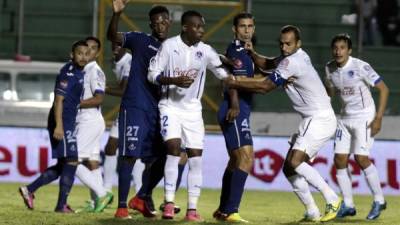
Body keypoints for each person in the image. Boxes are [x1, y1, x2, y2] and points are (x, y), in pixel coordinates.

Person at [225, 25, 342, 222]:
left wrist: (235, 82)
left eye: (288, 44)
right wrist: (252, 54)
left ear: (298, 44)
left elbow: (264, 86)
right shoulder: (296, 57)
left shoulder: (292, 63)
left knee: (295, 162)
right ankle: (312, 211)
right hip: (313, 118)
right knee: (289, 168)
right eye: (281, 43)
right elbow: (268, 63)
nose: (284, 47)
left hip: (319, 118)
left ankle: (332, 198)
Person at [147, 9, 238, 221]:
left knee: (196, 158)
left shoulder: (205, 51)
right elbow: (152, 74)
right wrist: (173, 81)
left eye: (202, 27)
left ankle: (192, 210)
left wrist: (234, 90)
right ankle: (168, 203)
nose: (201, 30)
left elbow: (224, 76)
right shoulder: (169, 46)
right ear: (185, 27)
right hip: (170, 106)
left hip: (193, 111)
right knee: (173, 148)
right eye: (197, 26)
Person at [107, 0, 174, 219]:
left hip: (159, 110)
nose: (161, 25)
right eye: (156, 22)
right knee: (129, 156)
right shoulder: (140, 40)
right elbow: (113, 37)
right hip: (136, 106)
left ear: (170, 22)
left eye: (164, 20)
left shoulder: (175, 48)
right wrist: (117, 14)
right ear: (151, 25)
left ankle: (143, 197)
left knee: (162, 157)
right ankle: (122, 207)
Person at [19, 40, 89, 213]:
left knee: (62, 165)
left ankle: (30, 190)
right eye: (79, 53)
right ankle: (61, 205)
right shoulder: (68, 74)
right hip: (62, 122)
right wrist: (59, 125)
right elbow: (58, 100)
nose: (83, 56)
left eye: (86, 53)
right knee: (72, 160)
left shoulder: (81, 73)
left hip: (68, 122)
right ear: (71, 55)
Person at [325, 33, 389, 220]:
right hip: (344, 118)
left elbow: (384, 89)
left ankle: (379, 200)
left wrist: (378, 118)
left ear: (349, 50)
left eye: (342, 48)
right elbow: (330, 92)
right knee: (339, 159)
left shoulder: (360, 66)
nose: (338, 51)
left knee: (361, 158)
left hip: (364, 116)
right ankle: (348, 204)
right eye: (335, 48)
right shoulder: (329, 69)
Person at [214, 12, 260, 223]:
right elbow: (234, 81)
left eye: (250, 26)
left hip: (238, 108)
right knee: (246, 157)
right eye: (242, 26)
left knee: (235, 160)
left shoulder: (247, 52)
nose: (247, 30)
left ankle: (223, 210)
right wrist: (234, 104)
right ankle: (232, 211)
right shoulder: (237, 51)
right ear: (235, 29)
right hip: (236, 109)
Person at [74, 36, 113, 213]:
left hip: (89, 120)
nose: (88, 51)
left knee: (71, 161)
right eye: (85, 47)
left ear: (97, 52)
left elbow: (99, 98)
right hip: (88, 120)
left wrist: (75, 103)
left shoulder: (94, 71)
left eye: (92, 48)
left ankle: (102, 193)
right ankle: (95, 202)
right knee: (93, 163)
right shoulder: (83, 69)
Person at [103, 43, 146, 195]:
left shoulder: (129, 62)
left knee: (135, 150)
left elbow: (124, 89)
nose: (115, 47)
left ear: (125, 47)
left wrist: (102, 88)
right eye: (113, 44)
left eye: (119, 45)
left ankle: (139, 190)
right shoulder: (116, 62)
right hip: (126, 108)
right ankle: (107, 189)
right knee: (110, 147)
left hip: (137, 109)